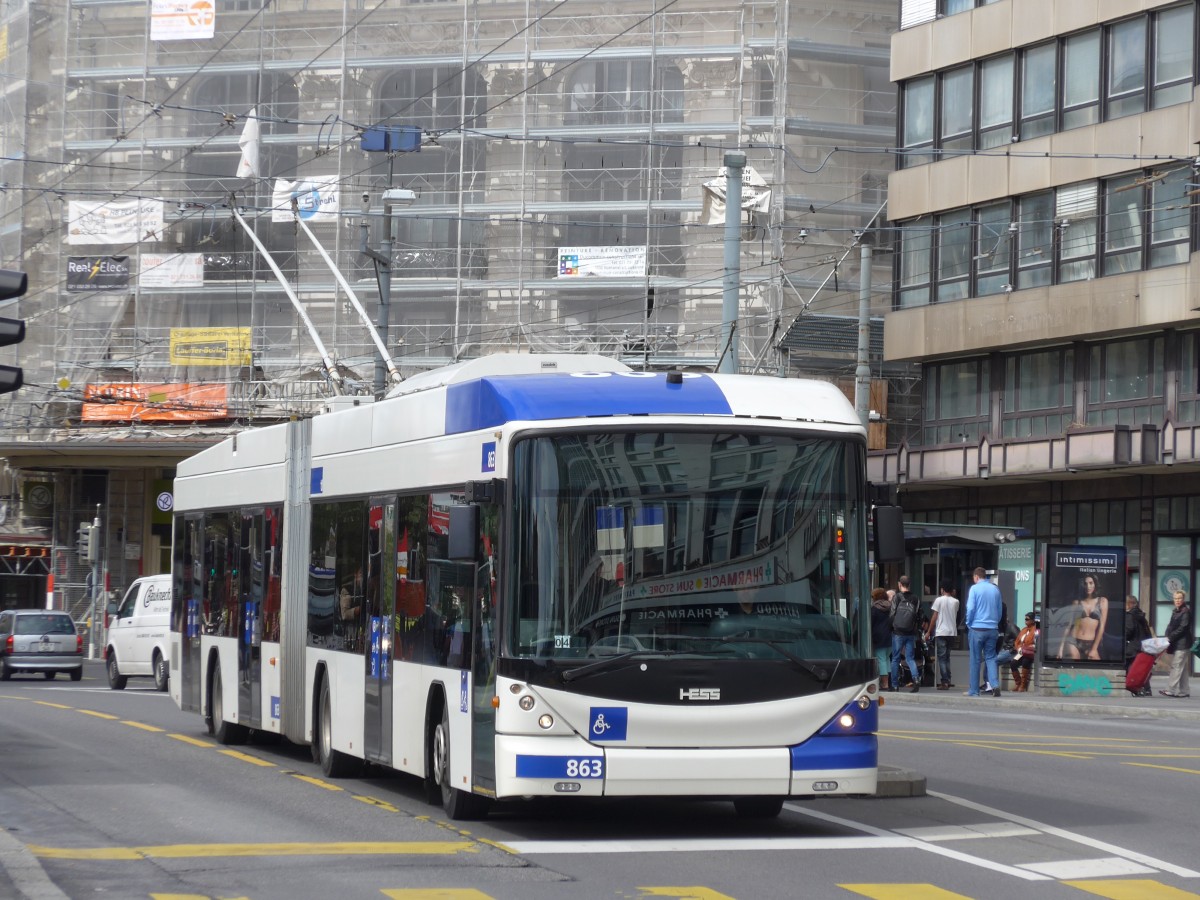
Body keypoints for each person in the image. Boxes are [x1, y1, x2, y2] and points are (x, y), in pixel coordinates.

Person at [965, 567, 1003, 697]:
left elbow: (970, 609)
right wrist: (994, 623)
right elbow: (999, 610)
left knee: (975, 659)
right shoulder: (995, 589)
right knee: (991, 657)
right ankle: (994, 685)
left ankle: (974, 690)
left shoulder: (974, 589)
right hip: (992, 629)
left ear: (976, 577)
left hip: (977, 628)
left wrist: (968, 623)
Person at [1057, 574, 1109, 661]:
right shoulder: (1077, 602)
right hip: (1074, 641)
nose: (1088, 586)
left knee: (1097, 672)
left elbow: (1102, 627)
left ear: (1095, 584)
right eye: (1085, 584)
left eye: (1091, 583)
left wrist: (1094, 648)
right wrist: (1060, 648)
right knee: (1074, 670)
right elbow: (1069, 625)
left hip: (1091, 643)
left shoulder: (1102, 601)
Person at [889, 576, 922, 693]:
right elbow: (918, 616)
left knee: (895, 658)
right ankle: (916, 679)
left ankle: (894, 685)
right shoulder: (916, 598)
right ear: (909, 585)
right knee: (910, 658)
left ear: (899, 584)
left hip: (898, 632)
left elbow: (892, 614)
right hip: (910, 632)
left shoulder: (897, 597)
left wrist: (891, 628)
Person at [925, 579, 958, 690]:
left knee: (942, 658)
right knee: (947, 657)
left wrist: (929, 631)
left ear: (942, 589)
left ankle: (945, 682)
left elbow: (934, 617)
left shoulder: (938, 600)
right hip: (952, 632)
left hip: (941, 632)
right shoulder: (956, 602)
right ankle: (948, 679)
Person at [1160, 589, 1193, 698]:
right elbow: (1170, 626)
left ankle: (1170, 690)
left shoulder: (1185, 612)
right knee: (1181, 668)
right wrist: (1166, 635)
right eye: (1175, 598)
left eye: (1179, 598)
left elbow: (1182, 628)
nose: (1177, 600)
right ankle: (1184, 691)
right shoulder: (1176, 611)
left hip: (1183, 644)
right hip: (1177, 643)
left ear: (1183, 599)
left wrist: (1170, 638)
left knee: (1176, 666)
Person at [1123, 595, 1153, 697]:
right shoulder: (1140, 615)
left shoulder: (1129, 615)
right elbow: (1147, 631)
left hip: (1132, 646)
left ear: (1130, 604)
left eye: (1125, 603)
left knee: (1131, 668)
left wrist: (1123, 638)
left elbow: (1128, 631)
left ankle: (1137, 689)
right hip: (1142, 646)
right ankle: (1147, 689)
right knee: (1141, 668)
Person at [869, 588, 893, 690]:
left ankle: (885, 683)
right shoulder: (891, 607)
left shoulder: (874, 609)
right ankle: (890, 681)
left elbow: (870, 623)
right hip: (890, 637)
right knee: (887, 659)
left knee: (881, 660)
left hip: (879, 638)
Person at [1009, 612, 1039, 692]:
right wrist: (1018, 648)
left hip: (1030, 653)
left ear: (1033, 621)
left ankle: (1023, 685)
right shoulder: (1024, 630)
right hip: (1021, 652)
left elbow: (1036, 642)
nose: (1025, 621)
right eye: (1025, 619)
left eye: (1027, 619)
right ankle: (1018, 683)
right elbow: (1017, 642)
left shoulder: (1036, 630)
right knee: (1013, 663)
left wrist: (1028, 647)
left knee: (1026, 661)